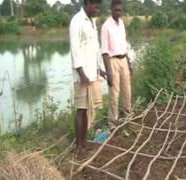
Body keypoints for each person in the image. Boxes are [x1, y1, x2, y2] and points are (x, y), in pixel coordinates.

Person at [69, 0, 106, 156]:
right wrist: (81, 73)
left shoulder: (93, 21)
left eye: (99, 6)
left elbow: (94, 48)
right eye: (95, 6)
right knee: (81, 110)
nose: (97, 9)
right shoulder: (77, 21)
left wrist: (100, 70)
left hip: (92, 74)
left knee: (89, 110)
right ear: (87, 3)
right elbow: (75, 49)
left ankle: (84, 143)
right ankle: (79, 147)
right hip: (83, 76)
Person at [101, 0, 133, 128]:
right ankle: (113, 122)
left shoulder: (121, 24)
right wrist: (108, 73)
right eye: (116, 10)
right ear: (111, 9)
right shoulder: (106, 26)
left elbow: (124, 46)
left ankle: (128, 116)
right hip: (112, 61)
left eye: (120, 10)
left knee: (127, 90)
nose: (118, 12)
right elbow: (104, 51)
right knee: (114, 93)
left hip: (124, 59)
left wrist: (129, 64)